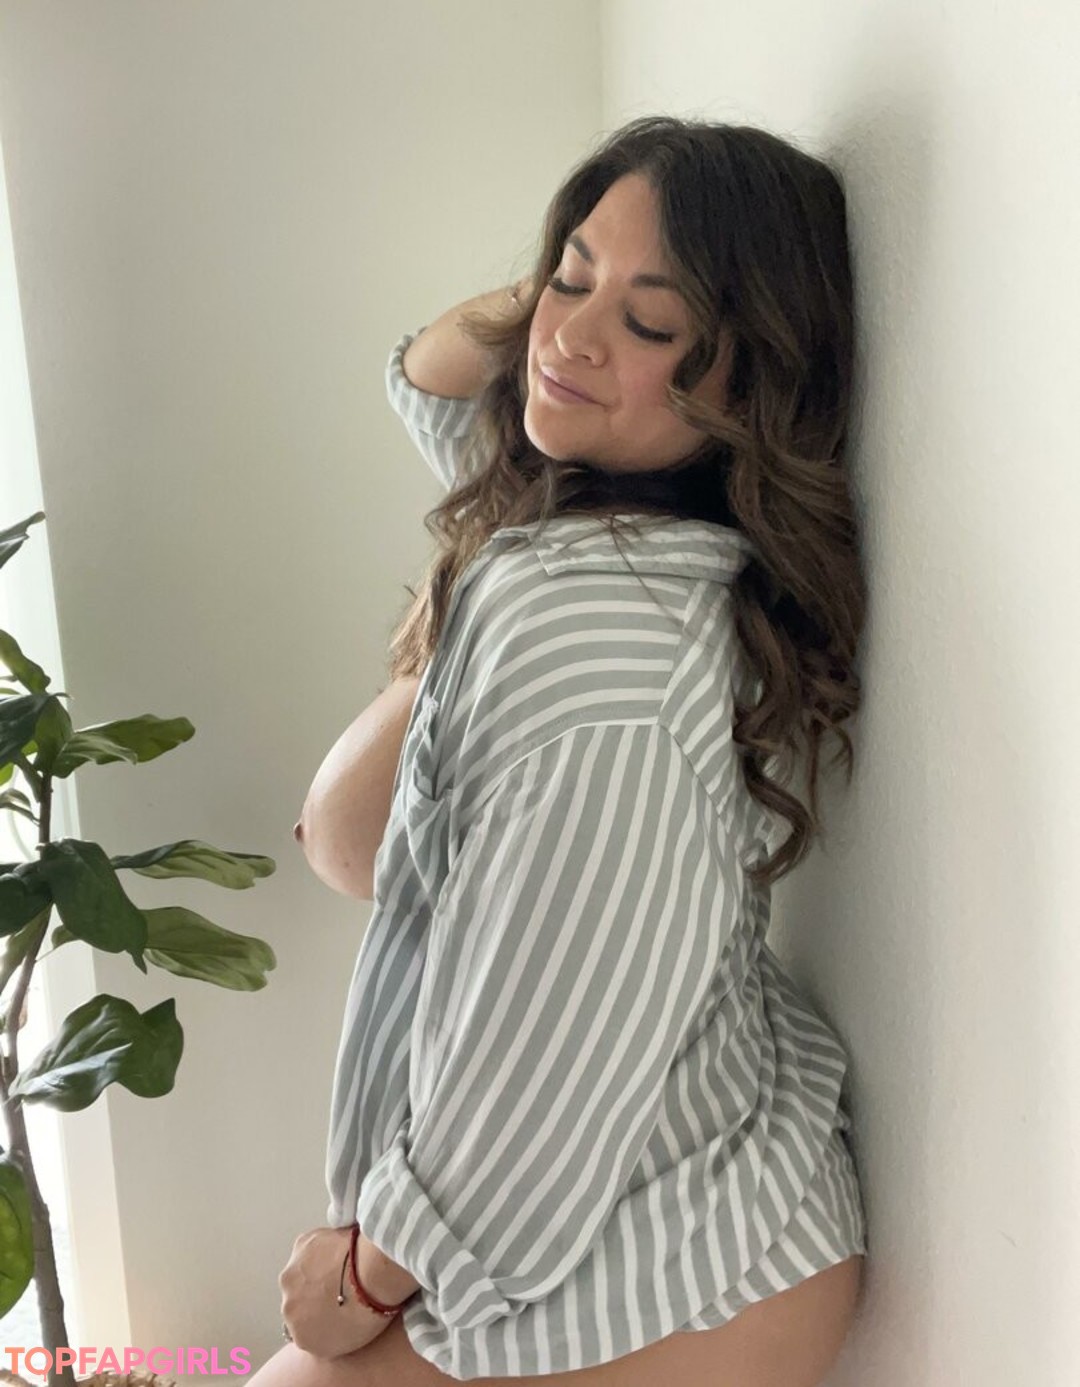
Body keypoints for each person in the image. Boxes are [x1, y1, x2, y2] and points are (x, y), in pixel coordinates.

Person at [252, 115, 869, 1386]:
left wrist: (370, 1272)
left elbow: (546, 1049)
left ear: (749, 380)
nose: (569, 336)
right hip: (646, 1160)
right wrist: (580, 304)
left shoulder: (606, 654)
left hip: (680, 1248)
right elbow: (426, 375)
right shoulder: (581, 483)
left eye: (653, 322)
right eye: (569, 275)